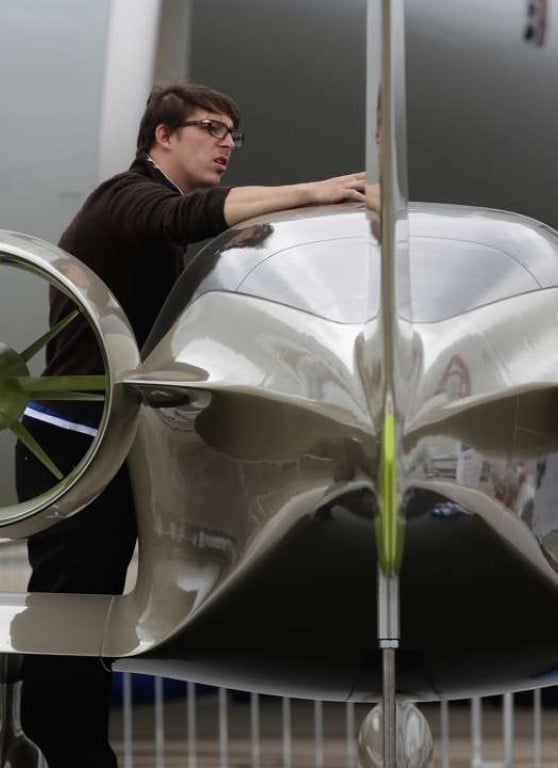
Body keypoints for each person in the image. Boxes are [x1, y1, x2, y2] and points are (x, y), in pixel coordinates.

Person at [14, 81, 365, 767]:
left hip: (107, 436)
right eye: (212, 127)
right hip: (76, 442)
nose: (227, 142)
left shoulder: (154, 219)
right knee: (71, 608)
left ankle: (71, 748)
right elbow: (186, 217)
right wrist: (317, 192)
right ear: (163, 137)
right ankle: (69, 751)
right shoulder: (126, 199)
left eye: (234, 133)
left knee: (91, 607)